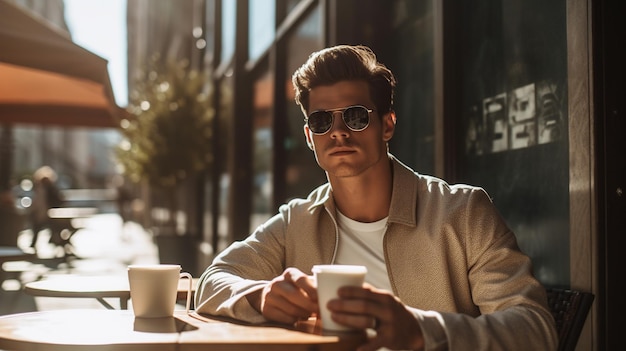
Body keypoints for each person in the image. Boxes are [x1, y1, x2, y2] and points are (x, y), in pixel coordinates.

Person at [195, 45, 557, 351]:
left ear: (387, 124)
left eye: (355, 117)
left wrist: (421, 331)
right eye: (322, 121)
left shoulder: (462, 213)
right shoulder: (298, 221)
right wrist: (260, 296)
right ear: (310, 137)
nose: (337, 132)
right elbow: (213, 280)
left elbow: (534, 329)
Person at [29, 166, 63, 250]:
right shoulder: (43, 188)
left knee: (41, 228)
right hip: (45, 213)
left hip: (47, 213)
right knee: (40, 228)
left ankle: (54, 240)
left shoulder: (44, 189)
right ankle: (54, 240)